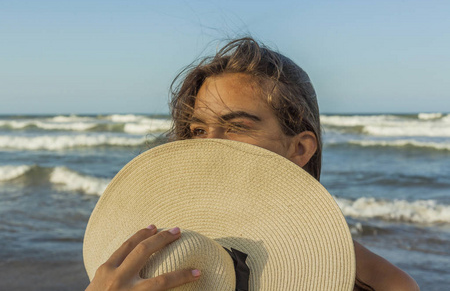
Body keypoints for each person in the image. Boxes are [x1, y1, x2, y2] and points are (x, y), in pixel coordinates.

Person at [86, 37, 420, 290]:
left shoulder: (380, 284)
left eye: (236, 126)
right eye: (198, 129)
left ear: (300, 148)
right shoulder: (160, 253)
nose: (208, 145)